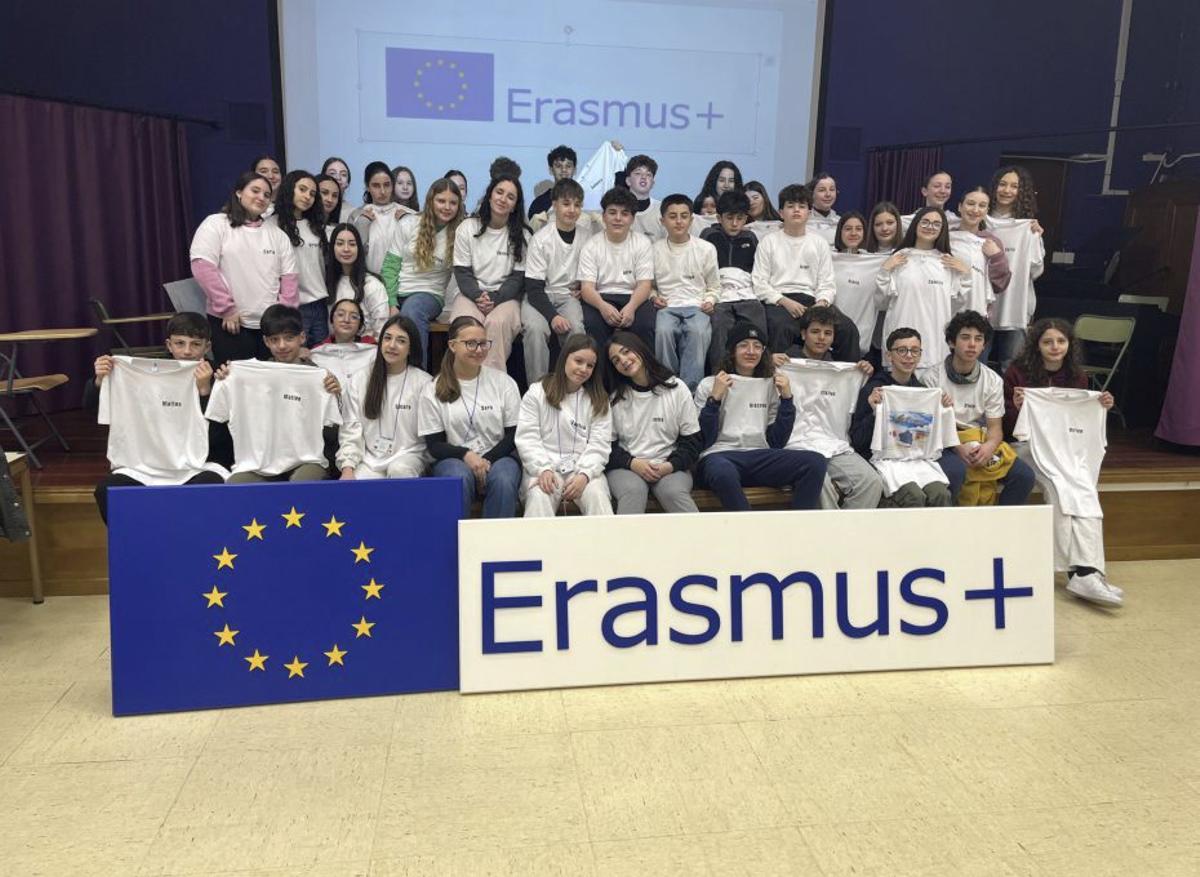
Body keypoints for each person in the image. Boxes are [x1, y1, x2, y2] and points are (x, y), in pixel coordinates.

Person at [1005, 318, 1121, 605]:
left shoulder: (1078, 377)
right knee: (1060, 489)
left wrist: (1100, 405)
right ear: (1037, 345)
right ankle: (1075, 573)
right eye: (1047, 341)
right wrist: (1017, 408)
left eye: (1060, 341)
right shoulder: (1017, 373)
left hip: (1065, 450)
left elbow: (1080, 419)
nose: (1055, 347)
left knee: (1085, 489)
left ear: (1070, 344)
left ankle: (1091, 572)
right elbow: (1007, 425)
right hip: (1029, 448)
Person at [92, 312, 226, 524]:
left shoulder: (219, 375)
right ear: (169, 345)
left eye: (195, 344)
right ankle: (136, 544)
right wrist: (101, 380)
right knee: (108, 491)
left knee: (212, 487)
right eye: (180, 343)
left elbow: (220, 437)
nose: (187, 351)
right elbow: (91, 411)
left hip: (196, 465)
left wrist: (205, 392)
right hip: (142, 465)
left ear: (207, 347)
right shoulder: (141, 372)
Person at [693, 322, 827, 510]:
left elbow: (776, 442)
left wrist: (787, 399)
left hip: (760, 457)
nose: (751, 351)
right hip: (719, 456)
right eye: (743, 345)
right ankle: (749, 527)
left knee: (815, 461)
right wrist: (714, 400)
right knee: (723, 471)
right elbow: (703, 441)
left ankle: (798, 525)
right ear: (732, 350)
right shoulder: (709, 384)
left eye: (757, 346)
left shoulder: (770, 384)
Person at [209, 304, 341, 483]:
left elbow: (333, 432)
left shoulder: (319, 377)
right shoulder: (247, 376)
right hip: (259, 463)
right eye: (274, 339)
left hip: (306, 461)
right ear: (266, 342)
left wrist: (336, 395)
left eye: (289, 338)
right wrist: (227, 380)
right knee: (237, 484)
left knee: (304, 482)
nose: (282, 345)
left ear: (302, 337)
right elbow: (221, 419)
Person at [924, 310, 1035, 505]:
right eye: (965, 337)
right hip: (944, 443)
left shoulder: (992, 380)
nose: (972, 344)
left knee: (1024, 476)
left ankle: (1000, 521)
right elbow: (929, 428)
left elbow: (995, 428)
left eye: (978, 339)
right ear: (951, 342)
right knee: (955, 472)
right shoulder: (931, 378)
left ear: (984, 345)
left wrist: (988, 448)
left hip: (980, 438)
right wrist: (958, 448)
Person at [775, 307, 881, 510]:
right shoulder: (783, 364)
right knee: (819, 485)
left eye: (828, 333)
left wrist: (863, 374)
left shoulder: (844, 370)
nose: (821, 338)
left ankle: (847, 530)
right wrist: (768, 364)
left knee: (871, 482)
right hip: (796, 446)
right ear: (803, 334)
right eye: (815, 332)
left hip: (834, 444)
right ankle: (828, 531)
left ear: (833, 338)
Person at [418, 316, 522, 518]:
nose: (479, 349)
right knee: (458, 477)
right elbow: (435, 445)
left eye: (483, 343)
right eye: (471, 343)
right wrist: (466, 455)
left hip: (498, 456)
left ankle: (495, 538)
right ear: (452, 345)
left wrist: (486, 461)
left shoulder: (504, 383)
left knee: (503, 479)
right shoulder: (432, 389)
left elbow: (514, 434)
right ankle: (454, 538)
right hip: (453, 459)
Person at [190, 171, 297, 366]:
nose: (261, 197)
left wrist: (281, 322)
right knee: (234, 380)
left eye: (267, 194)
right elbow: (203, 268)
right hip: (230, 323)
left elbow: (289, 280)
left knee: (270, 381)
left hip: (270, 330)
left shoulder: (278, 235)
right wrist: (227, 309)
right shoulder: (216, 224)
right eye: (255, 191)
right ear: (239, 192)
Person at [850, 327, 963, 505]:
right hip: (886, 461)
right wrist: (874, 413)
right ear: (889, 355)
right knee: (913, 496)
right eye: (902, 350)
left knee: (941, 494)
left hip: (918, 460)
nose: (909, 356)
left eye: (914, 351)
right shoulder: (875, 390)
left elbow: (937, 438)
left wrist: (944, 408)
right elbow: (858, 441)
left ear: (920, 355)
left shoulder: (925, 392)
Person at [756, 183, 860, 361]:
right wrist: (784, 301)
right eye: (790, 206)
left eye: (802, 206)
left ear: (809, 213)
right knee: (780, 327)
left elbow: (827, 283)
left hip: (813, 300)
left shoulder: (819, 243)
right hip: (780, 301)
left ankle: (845, 377)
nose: (796, 210)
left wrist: (821, 303)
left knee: (848, 329)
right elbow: (759, 284)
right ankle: (778, 376)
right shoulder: (768, 242)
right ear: (781, 213)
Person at [605, 331, 702, 514]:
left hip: (669, 464)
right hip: (627, 467)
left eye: (626, 351)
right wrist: (633, 463)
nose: (623, 361)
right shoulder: (615, 398)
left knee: (672, 492)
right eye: (616, 360)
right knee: (633, 491)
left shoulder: (677, 388)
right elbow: (607, 447)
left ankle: (701, 535)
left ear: (639, 349)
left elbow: (692, 443)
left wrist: (669, 466)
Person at [515, 335, 613, 517]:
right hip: (545, 468)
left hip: (583, 469)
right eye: (578, 361)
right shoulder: (537, 392)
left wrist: (584, 474)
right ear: (564, 358)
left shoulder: (599, 399)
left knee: (597, 496)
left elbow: (600, 444)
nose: (583, 369)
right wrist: (543, 468)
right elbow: (527, 437)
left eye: (590, 365)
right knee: (539, 495)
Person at [876, 206, 970, 378]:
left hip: (934, 347)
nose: (930, 227)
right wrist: (884, 271)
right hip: (900, 345)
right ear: (915, 225)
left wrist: (965, 275)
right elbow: (881, 302)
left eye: (936, 224)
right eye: (925, 222)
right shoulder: (899, 258)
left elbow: (956, 306)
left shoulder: (948, 263)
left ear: (942, 229)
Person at [380, 178, 465, 364]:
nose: (447, 207)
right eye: (441, 201)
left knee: (413, 310)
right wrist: (392, 303)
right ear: (430, 201)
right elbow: (390, 267)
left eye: (453, 203)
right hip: (397, 293)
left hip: (429, 295)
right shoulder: (409, 224)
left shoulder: (460, 232)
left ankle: (417, 373)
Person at [338, 315, 432, 480]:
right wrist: (347, 468)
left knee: (399, 470)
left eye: (401, 341)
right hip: (370, 460)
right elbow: (350, 430)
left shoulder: (424, 383)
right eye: (387, 338)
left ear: (411, 348)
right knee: (360, 480)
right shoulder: (360, 379)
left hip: (409, 455)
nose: (392, 345)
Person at [452, 174, 528, 371]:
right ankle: (463, 377)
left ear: (515, 205)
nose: (503, 199)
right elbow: (462, 272)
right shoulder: (467, 227)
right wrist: (478, 296)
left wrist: (495, 298)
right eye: (499, 192)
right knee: (467, 325)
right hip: (470, 294)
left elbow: (518, 278)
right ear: (490, 195)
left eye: (510, 197)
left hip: (506, 298)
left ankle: (491, 381)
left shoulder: (523, 235)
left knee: (497, 322)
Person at [521, 178, 591, 383]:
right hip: (539, 297)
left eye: (577, 205)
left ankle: (573, 386)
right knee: (535, 330)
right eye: (566, 204)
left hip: (568, 297)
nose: (572, 210)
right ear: (554, 205)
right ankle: (538, 389)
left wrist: (584, 288)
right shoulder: (541, 239)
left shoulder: (587, 237)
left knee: (576, 330)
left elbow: (592, 274)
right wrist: (553, 317)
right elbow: (534, 289)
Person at [652, 194, 720, 390]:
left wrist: (710, 300)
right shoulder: (654, 249)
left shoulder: (706, 249)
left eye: (684, 216)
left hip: (697, 305)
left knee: (698, 332)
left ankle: (690, 390)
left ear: (692, 219)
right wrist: (654, 297)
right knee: (663, 332)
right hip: (667, 306)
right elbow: (649, 285)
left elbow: (714, 285)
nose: (679, 221)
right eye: (672, 216)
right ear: (662, 221)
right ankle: (667, 382)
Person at [578, 186, 656, 351]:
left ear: (632, 219)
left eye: (625, 214)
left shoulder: (642, 243)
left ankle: (645, 367)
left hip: (634, 296)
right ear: (603, 216)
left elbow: (645, 285)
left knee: (645, 325)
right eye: (612, 213)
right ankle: (601, 368)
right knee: (592, 325)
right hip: (600, 297)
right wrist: (602, 306)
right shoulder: (591, 245)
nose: (618, 218)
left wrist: (631, 307)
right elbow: (587, 288)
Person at [701, 191, 768, 373]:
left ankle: (760, 374)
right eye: (729, 218)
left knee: (757, 319)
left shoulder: (750, 238)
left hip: (746, 294)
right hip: (719, 295)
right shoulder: (708, 236)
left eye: (740, 218)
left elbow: (757, 269)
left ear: (746, 218)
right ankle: (719, 374)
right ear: (719, 217)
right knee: (719, 325)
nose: (735, 223)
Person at [988, 165, 1046, 371]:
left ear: (1022, 192)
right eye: (1003, 184)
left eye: (1014, 186)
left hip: (1015, 307)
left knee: (1012, 368)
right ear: (994, 187)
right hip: (983, 305)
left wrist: (1036, 239)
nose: (1007, 190)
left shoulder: (1028, 227)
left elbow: (1036, 271)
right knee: (974, 365)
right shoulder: (978, 221)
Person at [269, 170, 329, 347]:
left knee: (321, 355)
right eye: (302, 189)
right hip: (293, 306)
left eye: (312, 193)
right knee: (295, 357)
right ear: (289, 189)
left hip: (320, 303)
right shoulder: (272, 225)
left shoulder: (316, 226)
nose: (307, 196)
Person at [831, 211, 889, 363]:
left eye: (858, 229)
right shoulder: (828, 258)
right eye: (848, 228)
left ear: (865, 232)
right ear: (839, 232)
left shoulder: (876, 262)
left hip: (860, 344)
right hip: (828, 340)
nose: (853, 233)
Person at [951, 186, 1011, 323]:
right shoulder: (946, 237)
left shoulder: (992, 242)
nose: (975, 210)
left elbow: (1000, 285)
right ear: (960, 207)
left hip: (977, 318)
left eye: (982, 206)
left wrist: (997, 257)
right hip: (945, 310)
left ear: (986, 211)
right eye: (971, 203)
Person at [324, 223, 389, 339]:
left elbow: (382, 329)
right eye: (340, 243)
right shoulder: (327, 283)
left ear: (359, 248)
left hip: (367, 347)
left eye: (352, 244)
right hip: (334, 347)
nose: (346, 249)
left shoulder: (372, 285)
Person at [350, 160, 406, 274]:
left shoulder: (407, 214)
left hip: (402, 281)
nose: (382, 191)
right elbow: (352, 255)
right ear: (367, 187)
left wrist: (407, 221)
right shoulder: (356, 216)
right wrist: (362, 224)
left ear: (392, 185)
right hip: (368, 280)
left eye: (387, 185)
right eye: (376, 186)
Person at [527, 145, 577, 219]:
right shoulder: (539, 204)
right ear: (551, 170)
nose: (564, 170)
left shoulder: (584, 199)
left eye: (568, 166)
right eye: (558, 166)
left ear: (575, 170)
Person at [624, 154, 664, 240]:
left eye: (648, 174)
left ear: (653, 183)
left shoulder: (662, 210)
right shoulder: (616, 209)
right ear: (628, 181)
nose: (643, 177)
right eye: (638, 173)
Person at [806, 173, 839, 245]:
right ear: (811, 193)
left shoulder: (841, 222)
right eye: (822, 190)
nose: (828, 194)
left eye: (832, 189)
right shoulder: (802, 222)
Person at [320, 157, 354, 222]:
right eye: (332, 173)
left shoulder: (353, 213)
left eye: (343, 174)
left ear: (347, 183)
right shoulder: (310, 205)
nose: (338, 177)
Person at [315, 173, 345, 238]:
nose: (330, 200)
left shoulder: (339, 231)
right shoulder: (301, 224)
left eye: (335, 195)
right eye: (324, 193)